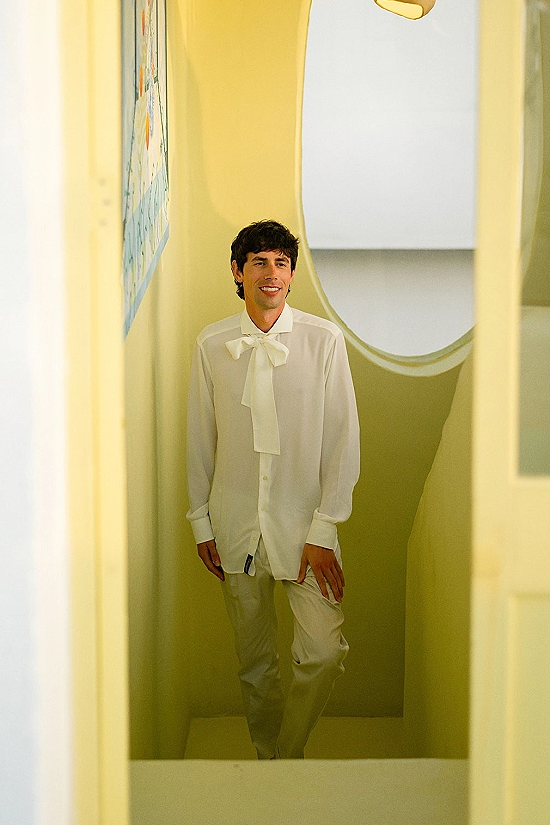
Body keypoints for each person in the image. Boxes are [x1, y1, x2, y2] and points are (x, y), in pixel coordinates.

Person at [186, 219, 360, 759]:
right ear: (238, 272)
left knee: (323, 652)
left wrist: (325, 528)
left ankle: (288, 750)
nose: (271, 272)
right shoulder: (211, 344)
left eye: (281, 263)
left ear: (291, 275)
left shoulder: (324, 341)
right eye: (259, 261)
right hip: (234, 525)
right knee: (255, 661)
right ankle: (268, 759)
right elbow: (200, 437)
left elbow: (343, 439)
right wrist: (200, 521)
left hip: (306, 527)